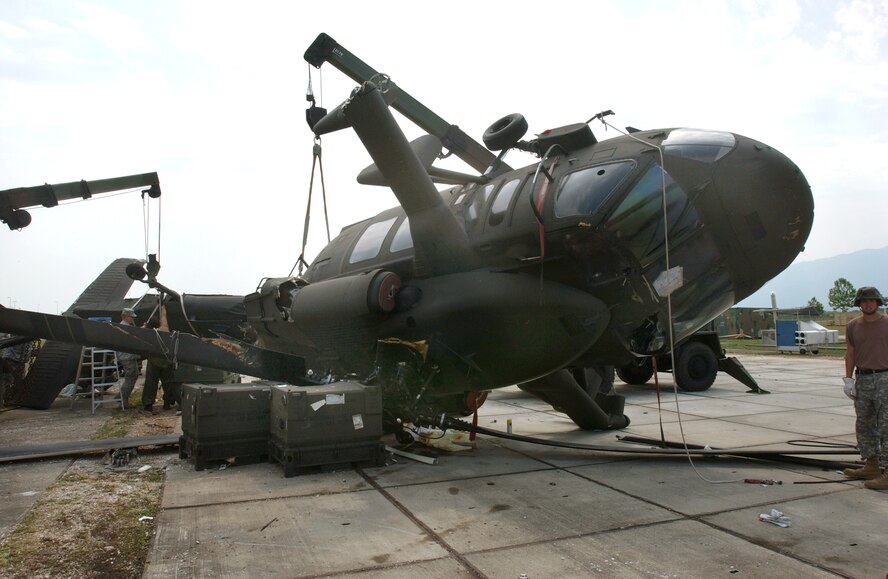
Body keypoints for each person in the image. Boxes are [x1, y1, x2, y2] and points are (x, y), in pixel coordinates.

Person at [842, 286, 888, 490]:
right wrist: (848, 379)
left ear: (877, 302)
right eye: (864, 301)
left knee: (886, 426)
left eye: (871, 300)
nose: (868, 304)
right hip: (863, 379)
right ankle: (871, 465)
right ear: (859, 304)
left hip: (885, 377)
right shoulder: (853, 326)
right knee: (864, 424)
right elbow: (850, 352)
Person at [141, 305, 177, 413]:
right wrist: (163, 308)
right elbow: (164, 320)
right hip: (166, 360)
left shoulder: (148, 333)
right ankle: (167, 403)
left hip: (154, 360)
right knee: (168, 382)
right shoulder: (164, 330)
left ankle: (148, 404)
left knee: (151, 382)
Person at [116, 308, 141, 409]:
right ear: (125, 316)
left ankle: (121, 397)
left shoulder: (126, 326)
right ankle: (123, 399)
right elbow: (131, 336)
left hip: (129, 356)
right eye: (131, 317)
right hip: (127, 356)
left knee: (133, 375)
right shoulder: (122, 326)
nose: (133, 319)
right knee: (131, 377)